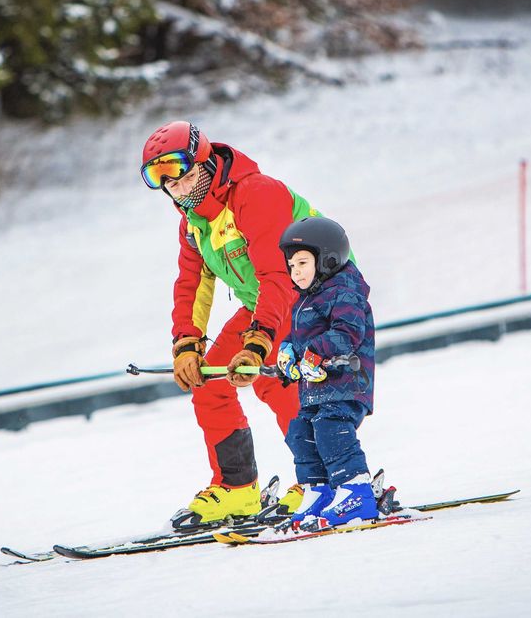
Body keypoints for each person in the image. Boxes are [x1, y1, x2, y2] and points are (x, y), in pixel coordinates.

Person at [140, 120, 322, 527]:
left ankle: (317, 480)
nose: (179, 190)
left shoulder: (256, 194)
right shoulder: (194, 224)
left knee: (274, 379)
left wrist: (258, 342)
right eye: (167, 184)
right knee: (210, 382)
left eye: (185, 178)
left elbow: (280, 275)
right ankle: (238, 489)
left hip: (318, 297)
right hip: (265, 304)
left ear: (204, 163)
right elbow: (191, 284)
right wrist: (186, 344)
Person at [276, 216, 378, 526]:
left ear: (328, 258)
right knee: (302, 433)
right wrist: (287, 354)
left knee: (331, 429)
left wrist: (314, 352)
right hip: (315, 389)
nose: (296, 271)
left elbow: (348, 333)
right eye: (292, 265)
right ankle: (317, 491)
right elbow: (298, 338)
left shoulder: (344, 290)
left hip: (347, 382)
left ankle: (356, 489)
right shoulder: (304, 301)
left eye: (303, 262)